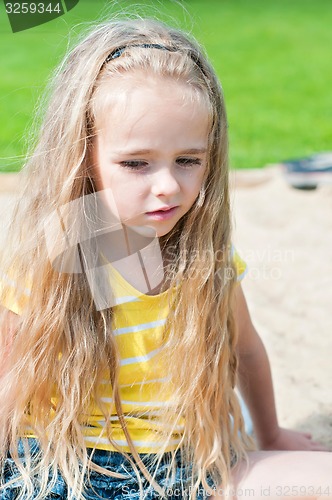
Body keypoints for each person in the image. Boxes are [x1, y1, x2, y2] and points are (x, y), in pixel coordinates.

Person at [0, 17, 331, 500]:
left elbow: (248, 351)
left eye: (189, 160)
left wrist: (273, 435)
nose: (168, 186)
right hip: (66, 473)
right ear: (84, 155)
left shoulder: (206, 258)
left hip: (185, 472)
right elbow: (10, 381)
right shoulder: (55, 260)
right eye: (136, 163)